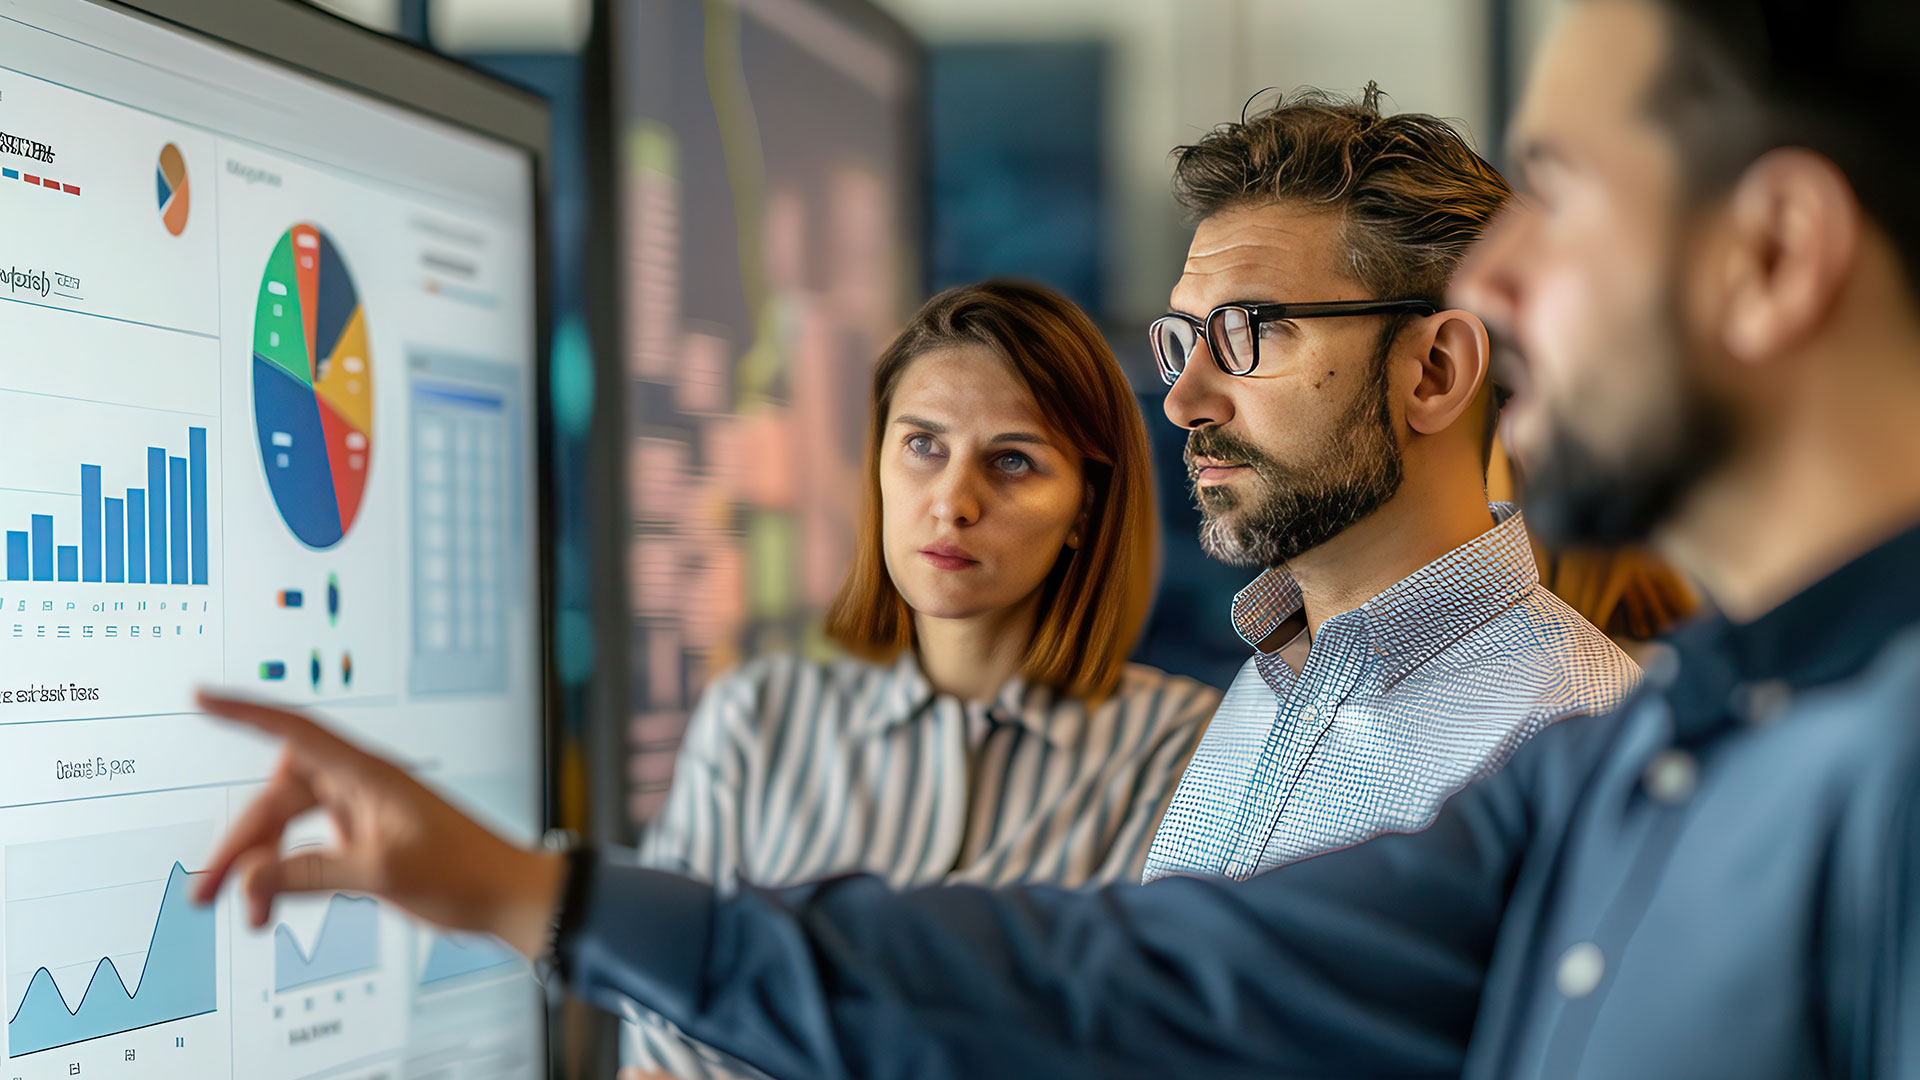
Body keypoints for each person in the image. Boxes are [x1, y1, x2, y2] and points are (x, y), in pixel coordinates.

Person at [190, 0, 1920, 1074]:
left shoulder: (1648, 736)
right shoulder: (1651, 757)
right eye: (1178, 347)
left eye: (1572, 194)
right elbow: (1125, 995)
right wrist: (543, 895)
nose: (1520, 280)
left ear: (1769, 254)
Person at [1141, 89, 1639, 880]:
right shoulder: (1268, 680)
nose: (1182, 400)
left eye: (1253, 332)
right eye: (1187, 339)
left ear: (1436, 372)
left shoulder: (1576, 736)